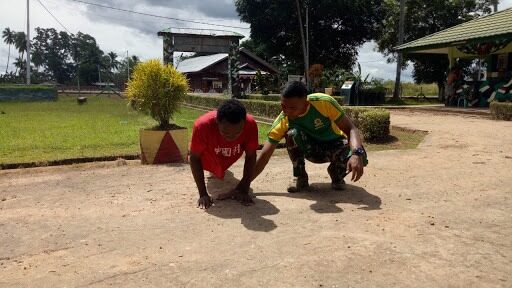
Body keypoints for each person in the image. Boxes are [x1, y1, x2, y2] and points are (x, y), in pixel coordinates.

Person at [253, 81, 367, 192]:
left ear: (306, 104)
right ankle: (300, 177)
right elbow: (264, 155)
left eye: (292, 108)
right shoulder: (283, 120)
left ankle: (336, 173)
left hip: (335, 145)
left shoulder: (323, 103)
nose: (287, 111)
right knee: (291, 134)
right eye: (283, 106)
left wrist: (356, 154)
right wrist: (245, 183)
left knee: (360, 153)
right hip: (311, 151)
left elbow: (351, 128)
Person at [190, 99, 259, 209]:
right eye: (225, 132)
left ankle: (222, 169)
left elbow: (251, 156)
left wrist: (244, 189)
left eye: (238, 132)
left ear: (244, 124)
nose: (232, 137)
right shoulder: (202, 126)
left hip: (229, 155)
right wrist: (203, 194)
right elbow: (194, 157)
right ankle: (215, 170)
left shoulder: (250, 124)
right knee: (213, 171)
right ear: (217, 121)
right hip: (208, 157)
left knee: (223, 170)